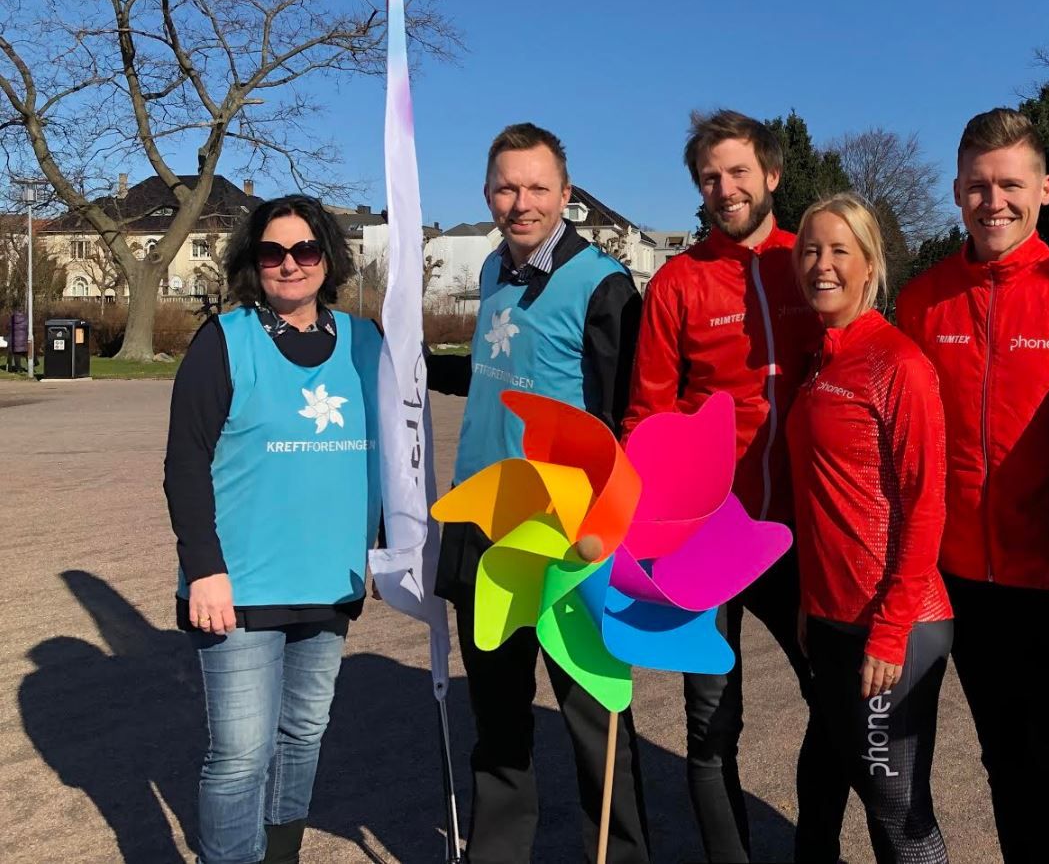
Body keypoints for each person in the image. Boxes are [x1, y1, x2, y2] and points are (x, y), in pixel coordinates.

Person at [896, 107, 1049, 863]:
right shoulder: (921, 302)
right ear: (956, 191)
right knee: (1002, 761)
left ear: (1044, 189)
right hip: (964, 580)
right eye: (977, 186)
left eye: (1009, 185)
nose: (992, 202)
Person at [425, 122, 649, 864]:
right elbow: (496, 376)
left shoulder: (604, 286)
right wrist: (415, 363)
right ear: (487, 192)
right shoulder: (494, 267)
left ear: (565, 193)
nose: (521, 202)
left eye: (536, 188)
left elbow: (620, 420)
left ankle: (619, 854)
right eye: (506, 187)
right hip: (483, 524)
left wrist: (606, 532)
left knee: (595, 720)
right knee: (497, 720)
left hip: (565, 538)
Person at [623, 109, 843, 862]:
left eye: (738, 172)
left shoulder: (811, 260)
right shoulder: (677, 281)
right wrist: (651, 525)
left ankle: (815, 849)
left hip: (799, 532)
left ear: (772, 174)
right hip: (705, 536)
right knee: (711, 724)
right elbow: (648, 414)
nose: (725, 189)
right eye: (710, 177)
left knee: (835, 702)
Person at [163, 194, 382, 864]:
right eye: (272, 252)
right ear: (252, 263)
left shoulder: (366, 343)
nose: (290, 264)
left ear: (329, 258)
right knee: (240, 753)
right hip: (240, 588)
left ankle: (279, 854)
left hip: (330, 580)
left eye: (305, 249)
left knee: (301, 736)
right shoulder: (224, 340)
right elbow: (185, 462)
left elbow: (402, 437)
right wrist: (205, 568)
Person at [787, 194, 952, 864]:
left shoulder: (897, 364)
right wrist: (810, 599)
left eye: (838, 251)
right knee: (819, 783)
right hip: (831, 617)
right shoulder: (821, 359)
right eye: (810, 250)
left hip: (893, 624)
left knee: (897, 810)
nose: (821, 265)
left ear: (870, 265)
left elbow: (926, 504)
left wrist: (889, 629)